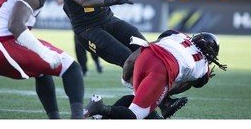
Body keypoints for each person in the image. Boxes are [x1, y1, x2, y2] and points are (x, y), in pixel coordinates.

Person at [51, 0, 186, 118]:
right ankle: (152, 106)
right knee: (128, 59)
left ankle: (160, 102)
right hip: (88, 29)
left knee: (149, 52)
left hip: (108, 19)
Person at [83, 29, 227, 119]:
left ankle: (101, 119)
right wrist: (163, 93)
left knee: (138, 101)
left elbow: (136, 55)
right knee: (136, 115)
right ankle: (100, 109)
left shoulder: (178, 35)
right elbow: (178, 86)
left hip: (146, 56)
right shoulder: (203, 68)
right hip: (163, 69)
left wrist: (126, 75)